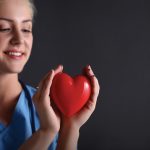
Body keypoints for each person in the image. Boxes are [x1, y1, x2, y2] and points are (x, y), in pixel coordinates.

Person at [0, 0, 100, 149]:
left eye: (26, 29)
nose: (19, 40)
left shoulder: (51, 108)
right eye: (4, 28)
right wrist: (46, 132)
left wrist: (69, 128)